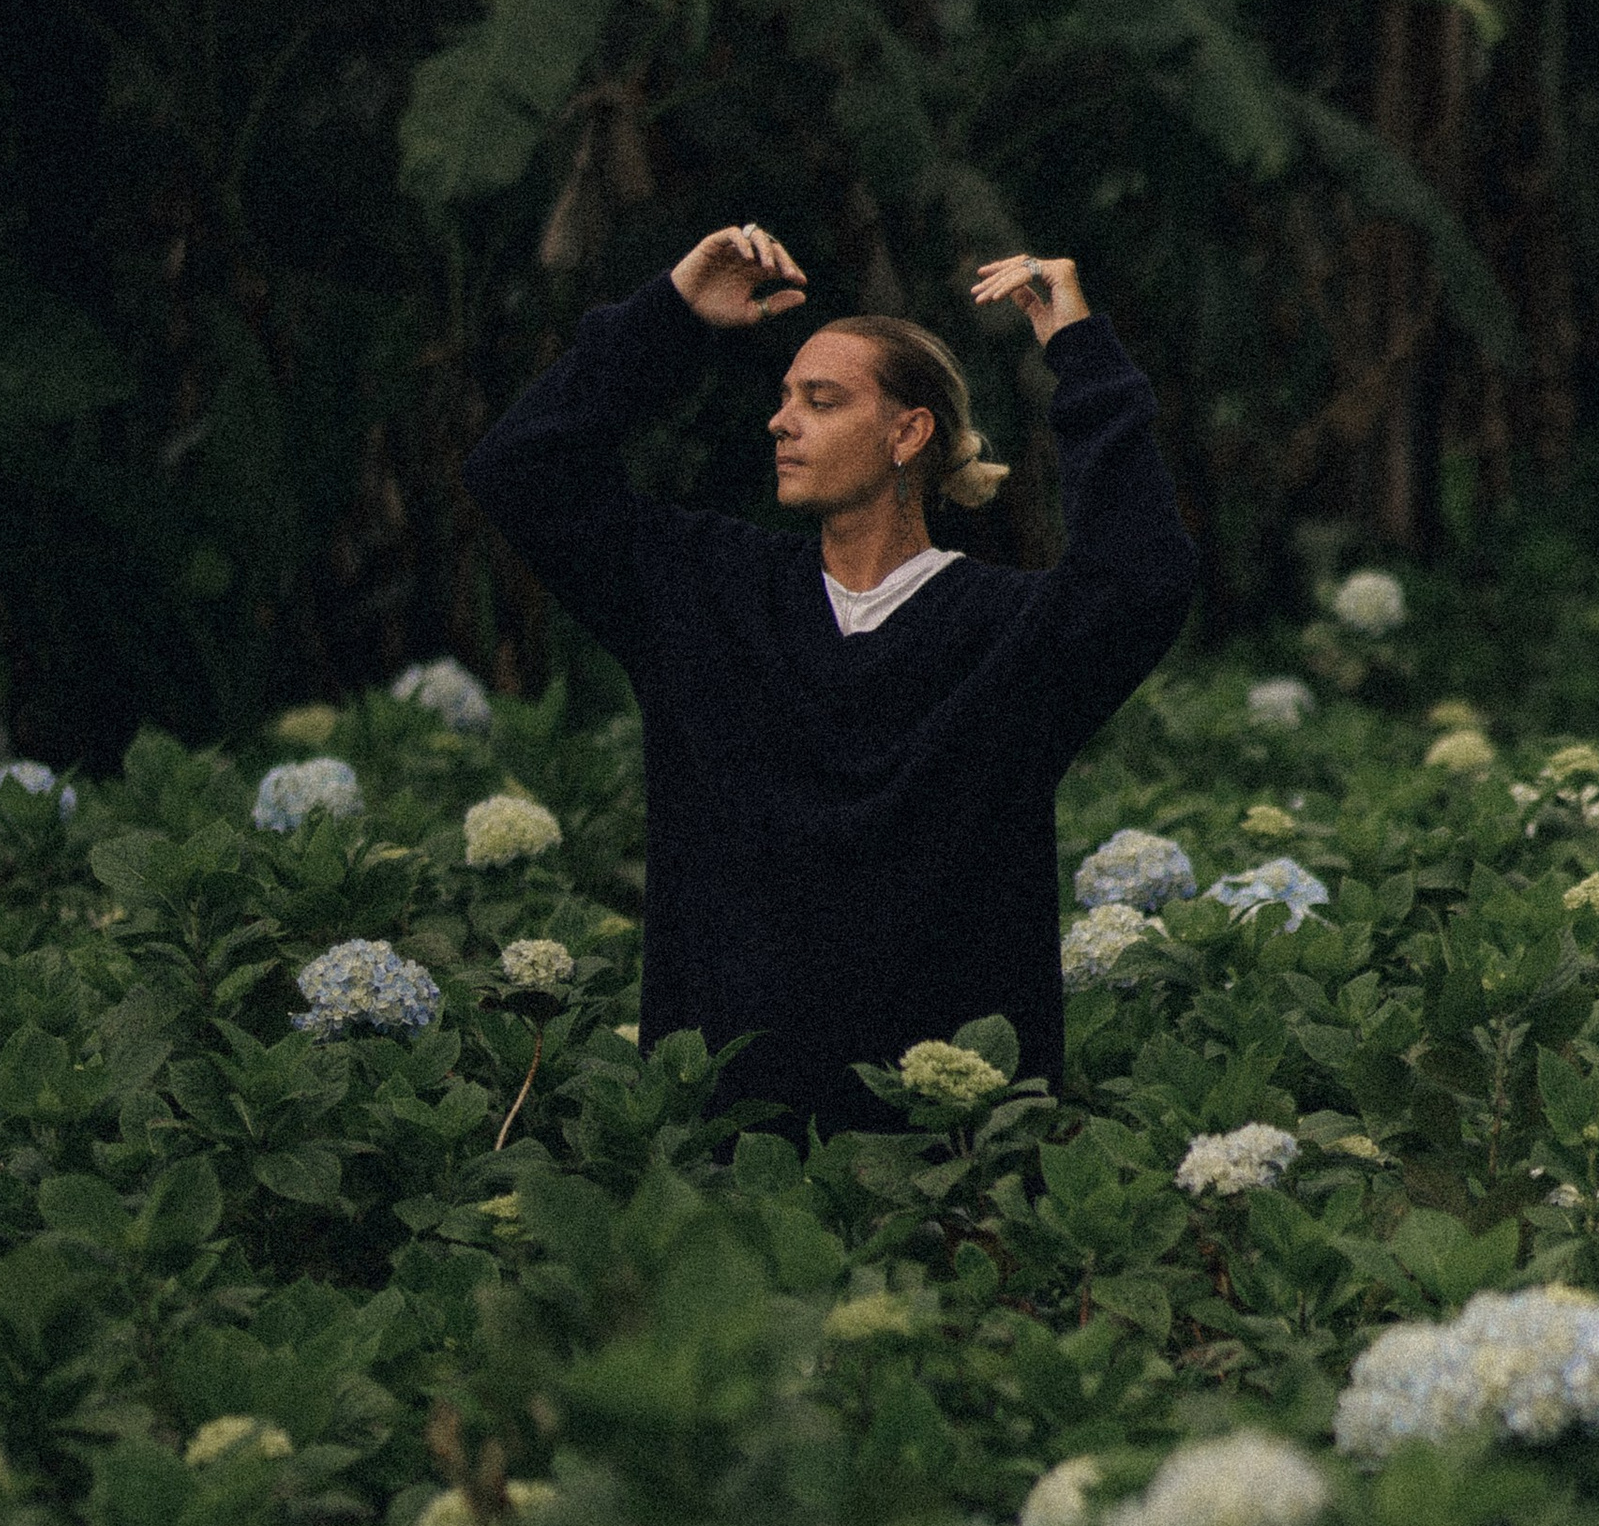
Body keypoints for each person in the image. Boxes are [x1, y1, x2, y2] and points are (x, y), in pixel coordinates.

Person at [461, 223, 1196, 1136]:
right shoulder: (703, 595)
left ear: (908, 433)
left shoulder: (1008, 636)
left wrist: (1082, 354)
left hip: (948, 1157)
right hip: (723, 1149)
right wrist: (672, 313)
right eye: (783, 397)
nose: (781, 420)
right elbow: (519, 472)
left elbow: (1143, 575)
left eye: (821, 399)